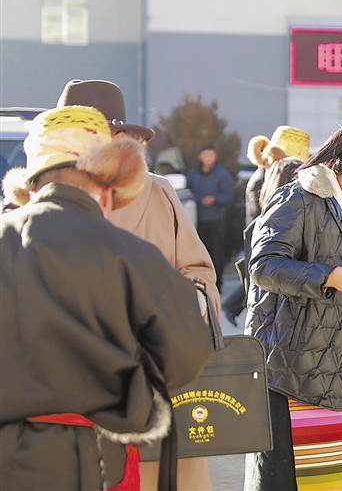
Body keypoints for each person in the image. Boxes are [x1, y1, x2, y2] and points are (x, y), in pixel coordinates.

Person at [0, 106, 212, 490]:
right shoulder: (130, 253)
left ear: (32, 186)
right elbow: (188, 351)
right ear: (106, 187)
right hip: (96, 460)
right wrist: (133, 385)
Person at [55, 79, 221, 489]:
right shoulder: (40, 198)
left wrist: (170, 314)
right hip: (71, 396)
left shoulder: (159, 191)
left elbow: (200, 273)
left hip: (158, 380)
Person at [243, 127, 342, 490]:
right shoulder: (298, 197)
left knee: (334, 474)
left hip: (340, 365)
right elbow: (263, 266)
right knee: (290, 475)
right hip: (292, 366)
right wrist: (329, 276)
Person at [221, 135, 286, 326]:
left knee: (254, 279)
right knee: (255, 279)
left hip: (256, 234)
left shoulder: (260, 177)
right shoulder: (260, 180)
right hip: (257, 234)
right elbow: (262, 211)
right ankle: (231, 307)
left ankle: (232, 307)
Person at [188, 144, 234, 290]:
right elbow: (188, 193)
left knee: (216, 253)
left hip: (215, 221)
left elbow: (228, 195)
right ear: (200, 157)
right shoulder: (193, 175)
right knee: (198, 254)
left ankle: (217, 284)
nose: (208, 158)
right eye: (205, 155)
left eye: (211, 155)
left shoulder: (222, 175)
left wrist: (215, 199)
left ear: (215, 157)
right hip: (196, 220)